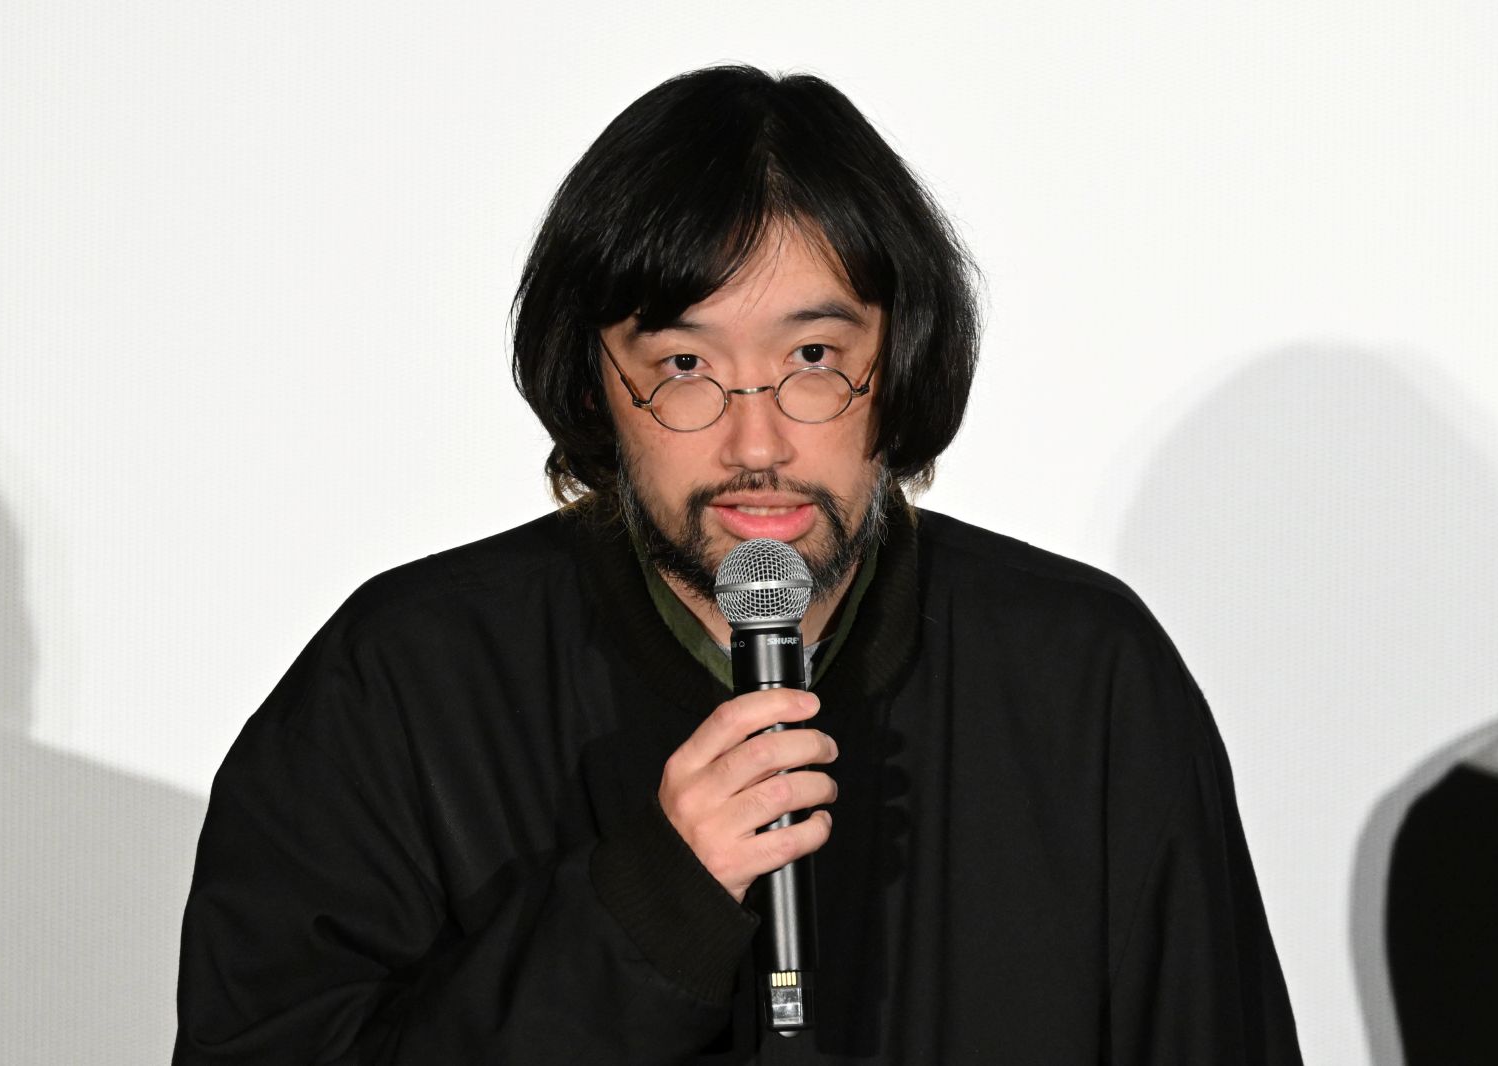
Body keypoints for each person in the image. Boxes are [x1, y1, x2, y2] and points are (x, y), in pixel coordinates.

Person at [174, 65, 1303, 1064]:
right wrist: (648, 911)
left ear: (901, 362)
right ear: (592, 383)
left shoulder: (1085, 677)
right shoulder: (401, 681)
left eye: (813, 357)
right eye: (683, 366)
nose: (755, 443)